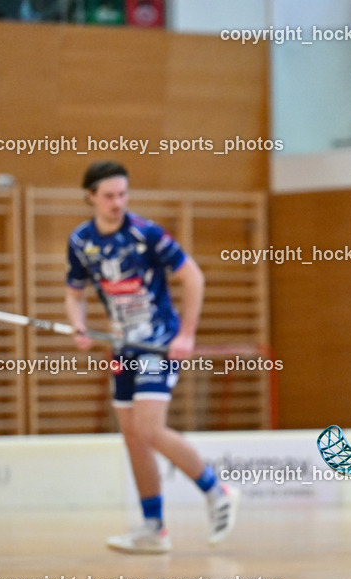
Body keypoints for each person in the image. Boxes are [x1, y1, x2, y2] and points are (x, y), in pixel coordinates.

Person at [65, 161, 239, 554]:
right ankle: (152, 527)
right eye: (108, 196)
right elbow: (74, 293)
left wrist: (187, 333)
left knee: (149, 428)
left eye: (122, 194)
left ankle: (217, 490)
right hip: (123, 347)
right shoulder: (81, 241)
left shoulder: (146, 234)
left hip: (159, 343)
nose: (117, 203)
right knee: (132, 436)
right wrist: (78, 325)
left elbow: (193, 276)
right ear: (90, 197)